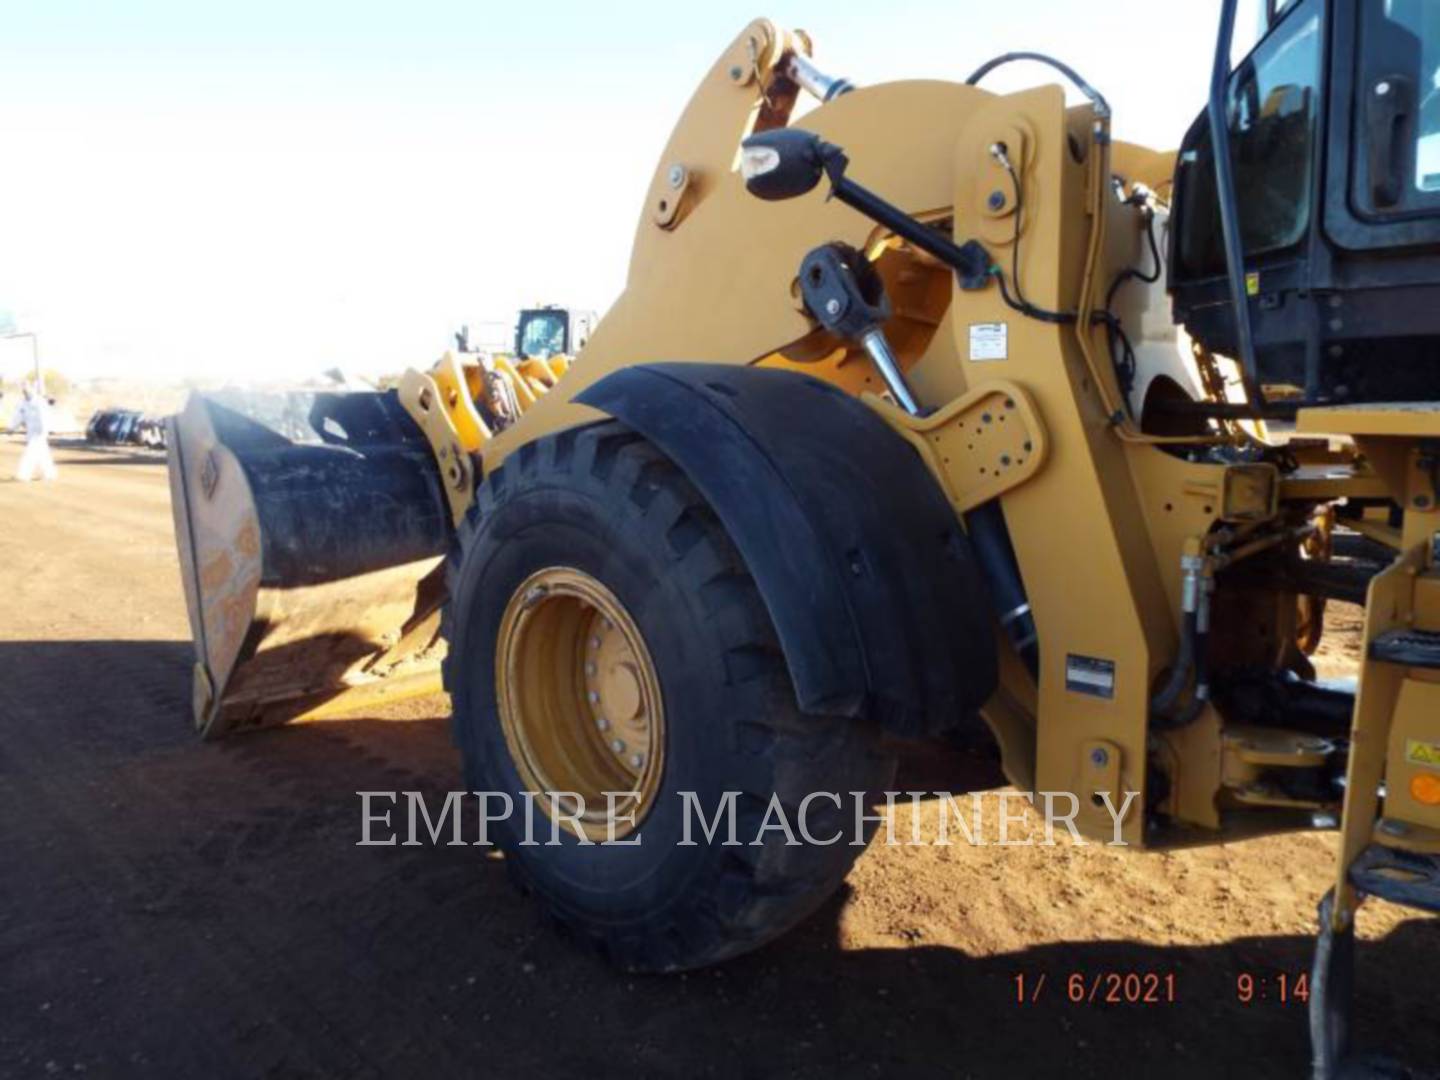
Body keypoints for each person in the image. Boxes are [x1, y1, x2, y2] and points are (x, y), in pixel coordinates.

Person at [11, 383, 58, 482]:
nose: (25, 392)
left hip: (40, 431)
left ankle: (23, 475)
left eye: (27, 390)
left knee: (30, 453)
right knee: (43, 454)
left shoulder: (40, 402)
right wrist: (12, 428)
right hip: (31, 432)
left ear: (32, 390)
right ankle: (50, 474)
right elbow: (18, 417)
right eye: (24, 391)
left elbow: (46, 416)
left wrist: (45, 429)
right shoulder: (23, 404)